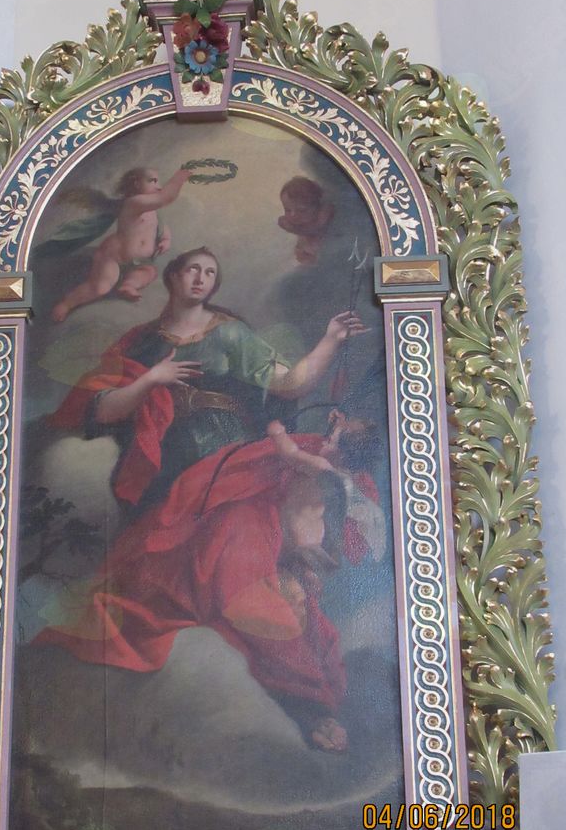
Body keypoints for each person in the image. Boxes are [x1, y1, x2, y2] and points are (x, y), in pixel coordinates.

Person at [42, 247, 367, 750]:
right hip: (169, 478)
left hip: (236, 468)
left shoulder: (229, 334)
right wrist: (152, 380)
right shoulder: (141, 342)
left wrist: (329, 339)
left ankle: (308, 702)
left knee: (250, 572)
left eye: (210, 272)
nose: (201, 278)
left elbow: (291, 382)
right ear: (172, 276)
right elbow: (101, 410)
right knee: (167, 585)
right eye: (192, 269)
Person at [51, 166, 190, 321]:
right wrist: (181, 176)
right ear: (136, 184)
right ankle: (67, 304)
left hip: (140, 261)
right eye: (152, 181)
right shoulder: (133, 203)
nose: (159, 186)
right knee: (100, 287)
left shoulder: (151, 209)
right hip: (114, 256)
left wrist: (166, 239)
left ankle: (128, 285)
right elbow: (164, 198)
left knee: (148, 272)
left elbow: (160, 226)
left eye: (158, 182)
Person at [277, 176, 334, 265]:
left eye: (301, 210)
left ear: (317, 207)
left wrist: (293, 228)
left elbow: (313, 229)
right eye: (287, 210)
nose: (293, 215)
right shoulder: (299, 223)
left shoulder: (321, 218)